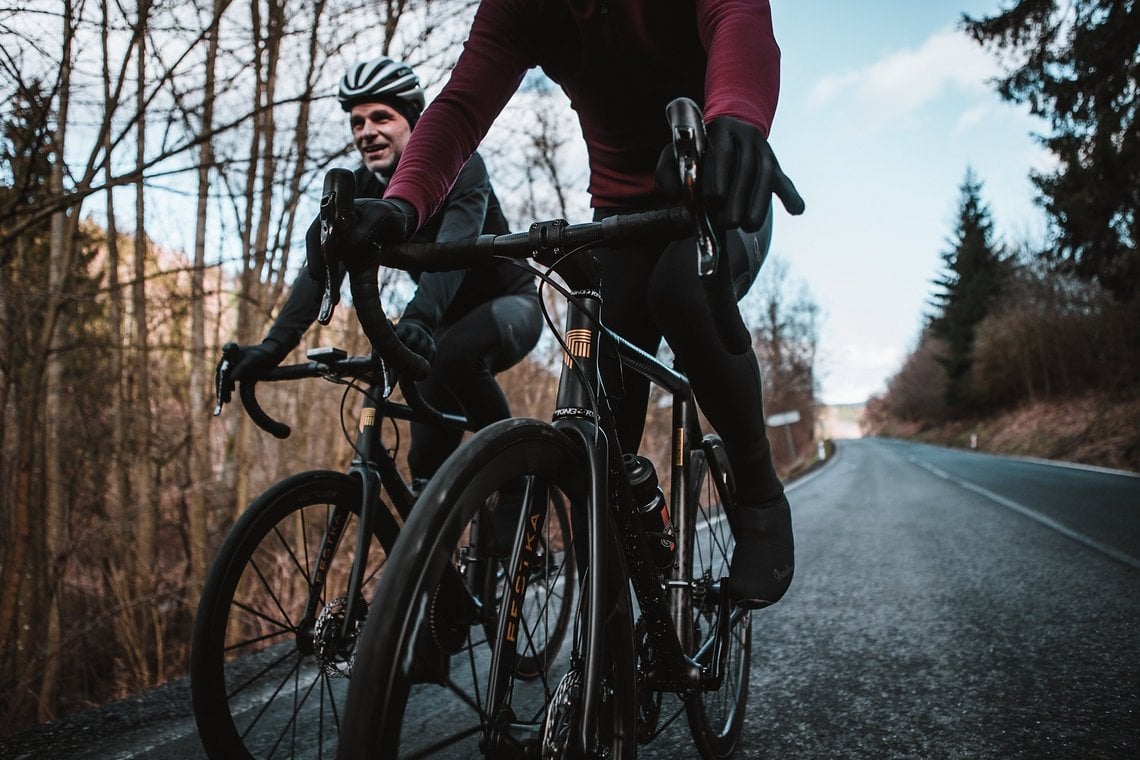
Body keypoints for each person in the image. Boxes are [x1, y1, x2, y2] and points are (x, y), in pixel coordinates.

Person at [309, 1, 802, 608]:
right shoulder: (520, 8)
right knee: (597, 404)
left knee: (681, 294)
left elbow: (739, 18)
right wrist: (404, 205)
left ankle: (758, 495)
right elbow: (461, 107)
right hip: (621, 219)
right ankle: (622, 623)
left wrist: (738, 116)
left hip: (714, 188)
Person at [227, 55, 543, 494]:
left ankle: (522, 483)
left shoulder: (463, 165)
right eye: (357, 122)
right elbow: (318, 270)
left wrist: (417, 319)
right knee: (426, 464)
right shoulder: (364, 189)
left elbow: (453, 251)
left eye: (381, 117)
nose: (366, 131)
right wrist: (272, 346)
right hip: (441, 326)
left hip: (510, 305)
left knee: (454, 357)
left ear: (414, 121)